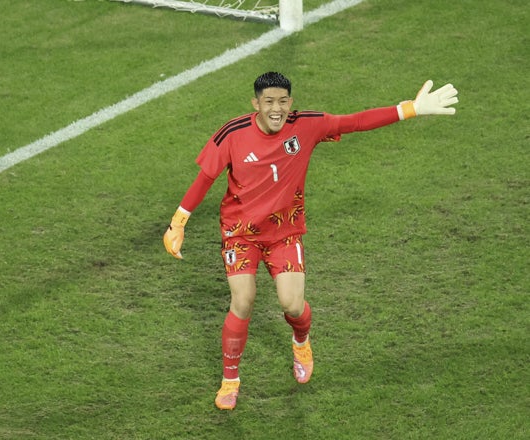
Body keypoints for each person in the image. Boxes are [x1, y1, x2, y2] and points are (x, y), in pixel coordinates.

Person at [163, 72, 458, 410]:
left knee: (292, 305)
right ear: (256, 103)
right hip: (240, 233)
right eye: (269, 102)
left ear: (290, 103)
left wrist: (411, 109)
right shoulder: (232, 134)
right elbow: (205, 178)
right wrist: (178, 223)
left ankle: (301, 341)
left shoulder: (306, 125)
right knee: (242, 300)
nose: (277, 109)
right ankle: (230, 380)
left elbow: (355, 122)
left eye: (283, 102)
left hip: (284, 232)